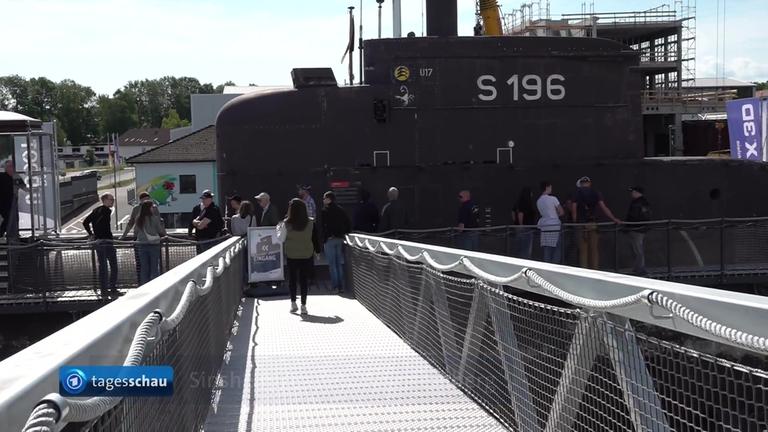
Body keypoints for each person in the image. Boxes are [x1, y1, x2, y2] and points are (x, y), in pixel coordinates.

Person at [570, 176, 621, 270]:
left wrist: (574, 221)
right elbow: (604, 207)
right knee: (594, 249)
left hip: (580, 224)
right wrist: (614, 218)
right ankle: (595, 270)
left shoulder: (577, 193)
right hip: (592, 223)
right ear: (589, 183)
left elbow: (574, 208)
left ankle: (584, 271)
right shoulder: (596, 192)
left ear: (581, 184)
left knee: (583, 250)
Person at [277, 198, 316, 314]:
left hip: (292, 254)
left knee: (292, 279)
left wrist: (278, 228)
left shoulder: (286, 223)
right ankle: (303, 305)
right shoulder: (311, 222)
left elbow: (281, 238)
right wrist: (317, 252)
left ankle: (293, 303)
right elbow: (314, 238)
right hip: (306, 254)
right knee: (304, 280)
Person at [83, 193, 120, 298]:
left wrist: (92, 234)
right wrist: (103, 235)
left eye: (113, 199)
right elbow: (102, 225)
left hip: (98, 242)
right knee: (113, 265)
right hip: (106, 241)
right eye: (111, 199)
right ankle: (112, 288)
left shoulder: (96, 210)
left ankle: (104, 290)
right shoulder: (106, 211)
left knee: (103, 267)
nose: (113, 201)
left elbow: (85, 222)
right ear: (105, 200)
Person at [321, 191, 352, 293]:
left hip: (329, 240)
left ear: (329, 199)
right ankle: (341, 286)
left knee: (332, 264)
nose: (323, 200)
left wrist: (325, 237)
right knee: (338, 263)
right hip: (339, 239)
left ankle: (335, 286)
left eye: (324, 198)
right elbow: (348, 223)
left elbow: (323, 226)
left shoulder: (325, 211)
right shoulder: (341, 210)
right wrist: (343, 234)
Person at [134, 200, 167, 285]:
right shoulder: (154, 218)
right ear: (149, 208)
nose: (153, 208)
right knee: (154, 267)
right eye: (152, 207)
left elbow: (136, 231)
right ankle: (154, 286)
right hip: (154, 244)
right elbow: (160, 230)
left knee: (144, 268)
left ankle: (144, 285)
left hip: (142, 245)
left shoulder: (139, 219)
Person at [625, 186, 651, 275]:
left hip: (636, 229)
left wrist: (629, 225)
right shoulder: (643, 202)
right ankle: (638, 268)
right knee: (637, 248)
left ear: (637, 193)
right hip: (640, 228)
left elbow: (634, 216)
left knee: (637, 249)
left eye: (633, 192)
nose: (631, 193)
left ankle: (640, 269)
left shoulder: (638, 203)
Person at [536, 181, 565, 264]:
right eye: (550, 187)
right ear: (547, 187)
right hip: (555, 225)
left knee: (547, 248)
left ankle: (547, 266)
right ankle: (555, 266)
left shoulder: (538, 201)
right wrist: (555, 213)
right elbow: (561, 212)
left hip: (544, 225)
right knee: (557, 248)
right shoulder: (553, 199)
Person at [0, 160, 27, 239]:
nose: (11, 168)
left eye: (12, 166)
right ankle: (2, 233)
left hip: (12, 202)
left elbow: (24, 187)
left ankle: (13, 234)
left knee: (14, 218)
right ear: (6, 168)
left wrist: (33, 190)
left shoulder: (16, 177)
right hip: (2, 202)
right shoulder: (1, 176)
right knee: (8, 218)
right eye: (9, 166)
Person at [513, 187, 537, 259]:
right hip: (526, 228)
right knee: (526, 249)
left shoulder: (518, 203)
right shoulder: (526, 203)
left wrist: (516, 222)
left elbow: (513, 212)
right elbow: (521, 214)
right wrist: (521, 225)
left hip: (519, 227)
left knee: (519, 247)